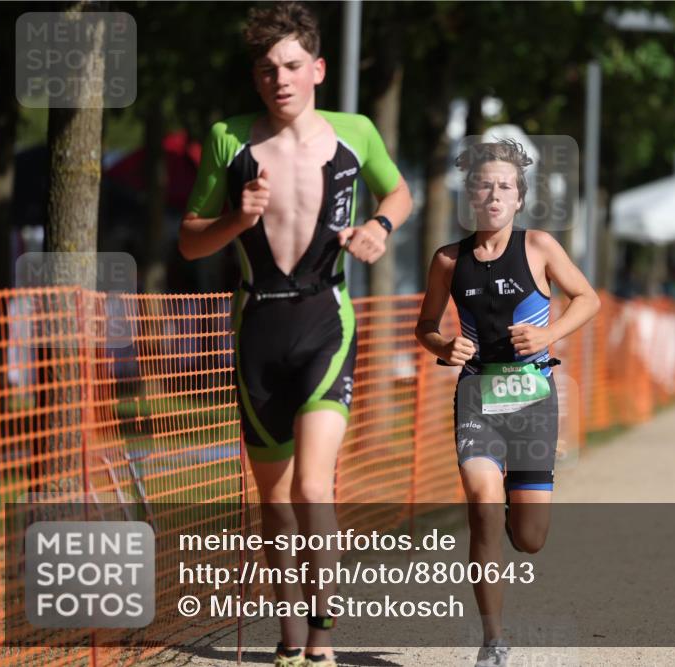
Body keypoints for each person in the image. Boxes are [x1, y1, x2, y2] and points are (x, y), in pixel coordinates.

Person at [179, 4, 413, 665]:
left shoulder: (356, 132)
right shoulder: (228, 139)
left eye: (288, 66)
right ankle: (289, 641)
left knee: (314, 488)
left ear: (316, 69)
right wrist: (235, 218)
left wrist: (378, 229)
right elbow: (190, 240)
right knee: (275, 503)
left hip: (324, 322)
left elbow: (398, 194)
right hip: (257, 328)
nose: (277, 79)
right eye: (264, 69)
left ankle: (322, 639)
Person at [414, 140, 600, 666]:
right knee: (481, 510)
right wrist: (444, 346)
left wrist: (549, 336)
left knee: (531, 537)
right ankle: (493, 640)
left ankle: (521, 512)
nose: (494, 194)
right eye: (484, 185)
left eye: (505, 186)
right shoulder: (448, 260)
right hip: (476, 397)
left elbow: (588, 299)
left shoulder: (539, 247)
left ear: (519, 199)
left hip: (532, 403)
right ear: (470, 195)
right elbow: (425, 326)